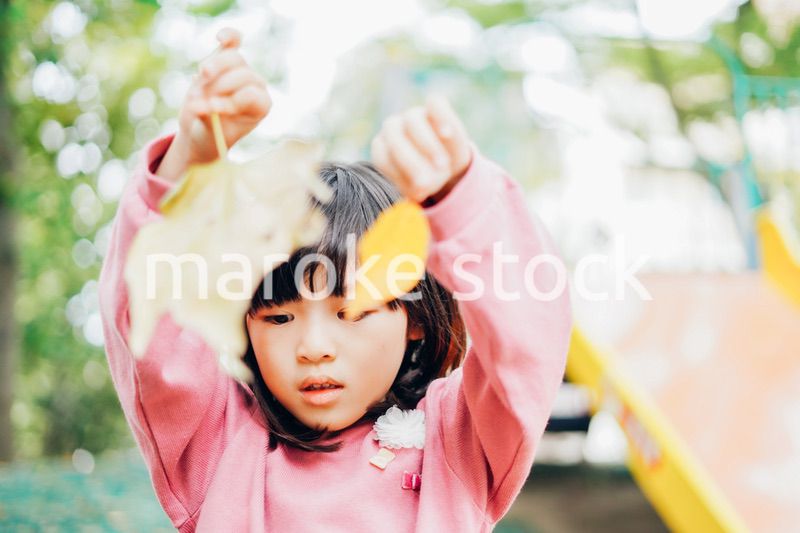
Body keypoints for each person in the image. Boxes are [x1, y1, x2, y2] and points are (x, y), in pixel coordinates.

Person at [99, 28, 572, 532]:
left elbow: (527, 342)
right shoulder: (216, 443)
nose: (314, 347)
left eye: (351, 311)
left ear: (414, 317)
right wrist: (188, 164)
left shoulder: (458, 441)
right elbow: (150, 327)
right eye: (280, 316)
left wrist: (461, 200)